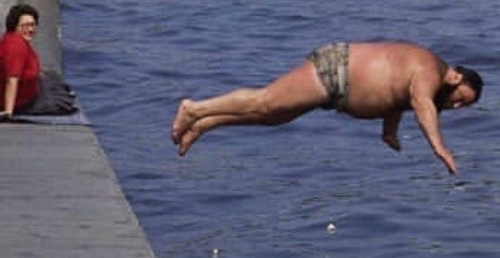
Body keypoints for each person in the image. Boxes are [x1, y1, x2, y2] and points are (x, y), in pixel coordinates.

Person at [171, 41, 483, 174]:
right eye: (460, 98)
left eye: (461, 107)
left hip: (337, 89)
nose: (455, 106)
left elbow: (397, 98)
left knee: (271, 118)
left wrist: (389, 131)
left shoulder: (427, 78)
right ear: (455, 77)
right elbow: (419, 102)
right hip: (336, 71)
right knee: (265, 101)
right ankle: (195, 108)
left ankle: (205, 124)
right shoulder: (431, 71)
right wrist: (439, 147)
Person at [0, 4, 78, 119]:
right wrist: (8, 112)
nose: (30, 29)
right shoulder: (16, 45)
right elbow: (12, 79)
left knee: (52, 78)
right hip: (21, 103)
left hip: (11, 96)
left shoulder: (10, 38)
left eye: (33, 25)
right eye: (25, 26)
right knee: (64, 100)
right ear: (14, 26)